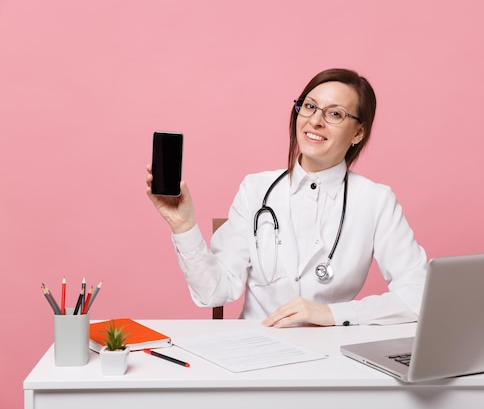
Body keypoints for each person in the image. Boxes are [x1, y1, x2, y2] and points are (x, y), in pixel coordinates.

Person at [146, 68, 427, 328]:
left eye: (335, 114)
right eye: (309, 106)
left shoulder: (375, 201)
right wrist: (183, 227)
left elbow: (419, 294)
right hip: (258, 351)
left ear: (358, 132)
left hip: (332, 353)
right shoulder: (255, 189)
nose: (315, 121)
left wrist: (333, 314)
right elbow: (215, 291)